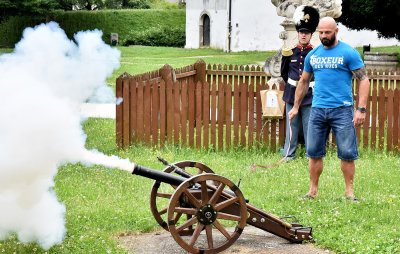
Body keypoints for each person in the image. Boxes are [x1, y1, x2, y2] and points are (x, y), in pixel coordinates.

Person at [288, 16, 370, 201]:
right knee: (314, 152)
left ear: (336, 31)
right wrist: (295, 107)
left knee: (347, 153)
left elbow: (363, 79)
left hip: (342, 110)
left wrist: (361, 109)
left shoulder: (348, 53)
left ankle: (349, 192)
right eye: (321, 32)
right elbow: (303, 81)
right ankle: (312, 191)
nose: (324, 36)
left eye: (328, 32)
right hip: (317, 110)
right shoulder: (313, 55)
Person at [280, 5, 319, 161]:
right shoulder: (290, 51)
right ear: (298, 33)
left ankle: (311, 155)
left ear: (311, 34)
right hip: (291, 93)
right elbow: (284, 72)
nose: (303, 35)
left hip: (310, 95)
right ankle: (289, 154)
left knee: (310, 126)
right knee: (291, 125)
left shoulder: (315, 52)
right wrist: (293, 85)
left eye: (307, 33)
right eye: (301, 32)